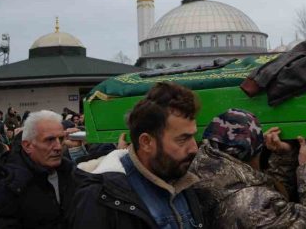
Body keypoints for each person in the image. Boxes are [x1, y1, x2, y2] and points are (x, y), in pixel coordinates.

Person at [70, 81, 206, 228]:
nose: (193, 148)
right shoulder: (99, 198)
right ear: (146, 142)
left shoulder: (184, 180)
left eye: (193, 137)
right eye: (182, 139)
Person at [190, 108, 306, 228]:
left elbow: (270, 198)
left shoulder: (200, 176)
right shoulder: (251, 204)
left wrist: (283, 157)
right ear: (254, 153)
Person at [0, 110, 76, 228]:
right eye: (49, 140)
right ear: (28, 145)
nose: (58, 147)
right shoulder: (9, 184)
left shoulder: (69, 171)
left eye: (60, 139)